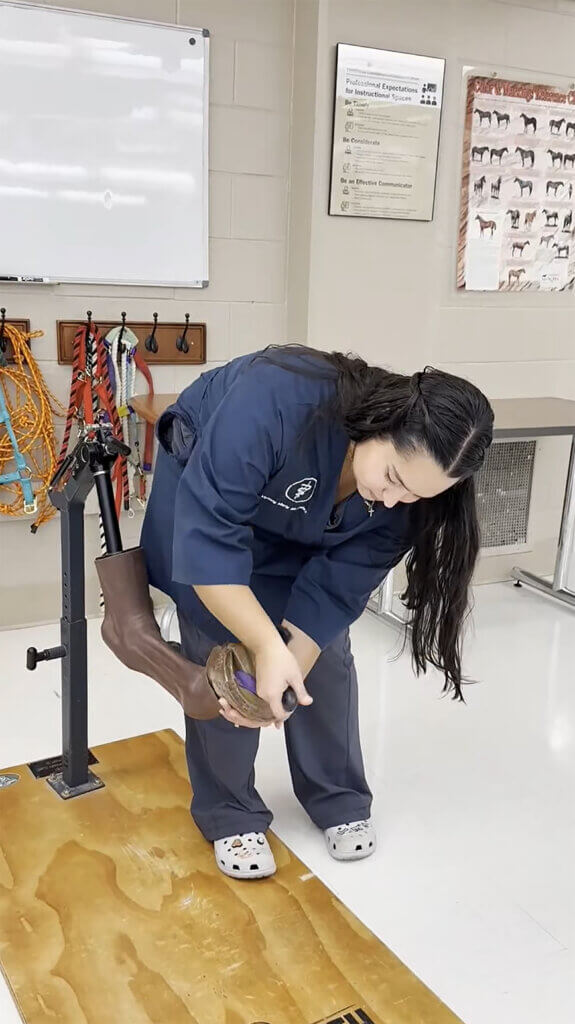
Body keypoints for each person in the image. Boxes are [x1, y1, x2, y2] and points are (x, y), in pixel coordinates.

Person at [141, 345, 494, 880]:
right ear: (381, 424)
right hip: (212, 495)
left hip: (309, 518)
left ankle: (339, 799)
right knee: (225, 641)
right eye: (395, 478)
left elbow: (337, 588)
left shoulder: (412, 495)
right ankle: (230, 810)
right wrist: (262, 647)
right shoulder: (274, 400)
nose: (397, 499)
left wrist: (289, 668)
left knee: (324, 650)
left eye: (416, 495)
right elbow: (212, 539)